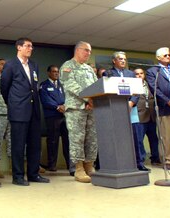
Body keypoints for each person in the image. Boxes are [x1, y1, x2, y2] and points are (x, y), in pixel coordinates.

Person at [1, 37, 50, 186]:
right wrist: (13, 104)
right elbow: (4, 88)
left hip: (34, 110)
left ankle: (33, 174)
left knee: (35, 144)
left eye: (32, 46)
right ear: (19, 47)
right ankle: (18, 176)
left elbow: (34, 86)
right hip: (18, 110)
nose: (30, 49)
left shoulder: (34, 65)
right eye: (28, 46)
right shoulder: (10, 65)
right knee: (18, 144)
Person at [59, 41, 98, 183]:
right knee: (77, 139)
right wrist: (88, 99)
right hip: (76, 108)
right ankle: (79, 168)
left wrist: (94, 100)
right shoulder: (67, 66)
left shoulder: (88, 69)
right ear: (77, 50)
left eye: (90, 51)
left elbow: (96, 86)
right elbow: (70, 85)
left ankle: (89, 166)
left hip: (91, 108)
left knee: (91, 139)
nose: (88, 53)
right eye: (86, 50)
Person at [39, 65, 74, 175]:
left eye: (57, 72)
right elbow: (45, 100)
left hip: (65, 115)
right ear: (48, 73)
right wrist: (57, 107)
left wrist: (65, 106)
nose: (56, 73)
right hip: (52, 116)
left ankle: (70, 165)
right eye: (54, 71)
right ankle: (52, 165)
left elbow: (68, 97)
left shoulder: (62, 84)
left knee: (68, 141)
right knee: (53, 141)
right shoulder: (44, 85)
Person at [133, 68, 161, 167]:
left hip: (151, 115)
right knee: (139, 139)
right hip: (140, 116)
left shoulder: (150, 85)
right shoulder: (132, 86)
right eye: (137, 74)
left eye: (141, 73)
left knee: (154, 139)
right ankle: (141, 159)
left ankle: (155, 158)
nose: (139, 75)